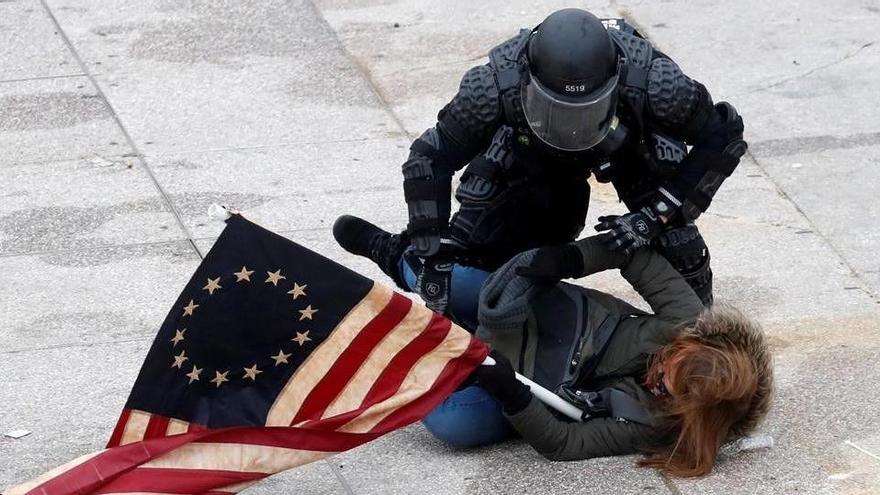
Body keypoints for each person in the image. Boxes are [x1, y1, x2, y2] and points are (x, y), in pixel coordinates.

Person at [333, 8, 747, 310]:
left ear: (617, 78)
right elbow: (428, 158)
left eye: (584, 108)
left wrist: (657, 213)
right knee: (470, 267)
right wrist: (433, 247)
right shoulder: (493, 86)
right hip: (532, 157)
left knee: (685, 274)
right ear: (527, 78)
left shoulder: (655, 82)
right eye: (560, 109)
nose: (572, 125)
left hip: (625, 149)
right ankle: (395, 253)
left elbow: (723, 134)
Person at [426, 233, 772, 477]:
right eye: (672, 356)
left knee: (452, 423)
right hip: (548, 319)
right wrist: (571, 259)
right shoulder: (687, 319)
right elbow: (631, 254)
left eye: (666, 389)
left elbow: (564, 444)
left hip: (529, 385)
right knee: (448, 280)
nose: (658, 375)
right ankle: (386, 252)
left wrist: (512, 396)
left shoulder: (653, 426)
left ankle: (421, 354)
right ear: (694, 343)